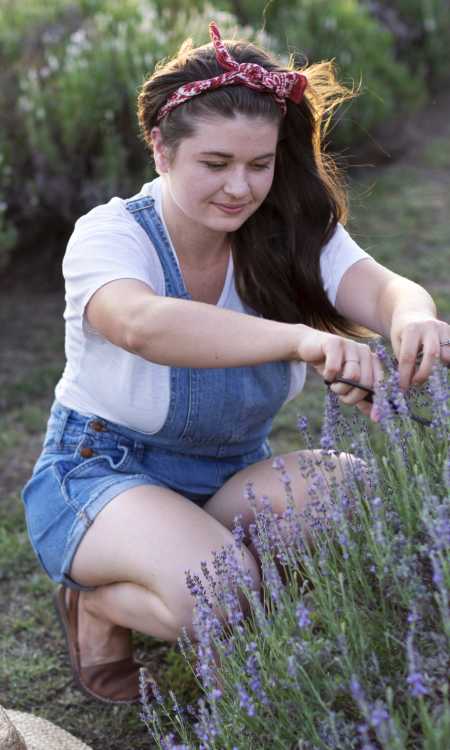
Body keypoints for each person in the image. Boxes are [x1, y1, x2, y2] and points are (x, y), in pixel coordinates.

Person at [21, 21, 450, 705]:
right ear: (161, 149)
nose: (240, 188)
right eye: (215, 164)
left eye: (260, 164)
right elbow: (141, 326)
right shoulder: (112, 233)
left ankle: (205, 564)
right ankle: (98, 606)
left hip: (228, 471)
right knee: (219, 595)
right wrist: (299, 340)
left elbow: (385, 289)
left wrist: (413, 318)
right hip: (102, 471)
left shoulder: (287, 232)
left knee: (361, 500)